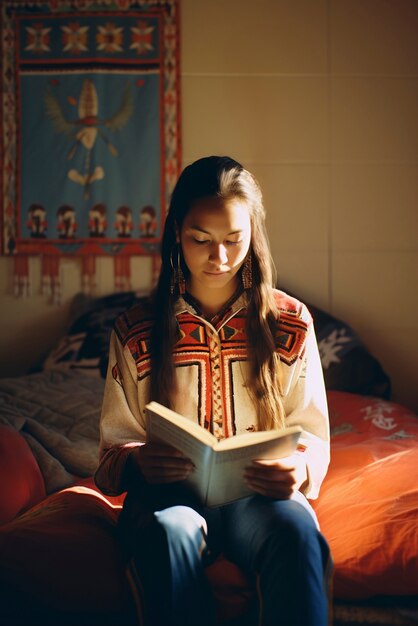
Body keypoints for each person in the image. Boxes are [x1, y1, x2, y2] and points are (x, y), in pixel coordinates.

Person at [95, 156, 332, 626]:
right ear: (176, 234)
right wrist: (140, 460)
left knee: (298, 534)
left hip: (260, 496)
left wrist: (299, 466)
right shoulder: (136, 330)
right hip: (169, 497)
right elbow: (110, 454)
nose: (218, 257)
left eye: (233, 240)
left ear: (254, 235)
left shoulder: (290, 324)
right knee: (167, 533)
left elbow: (312, 431)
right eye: (200, 240)